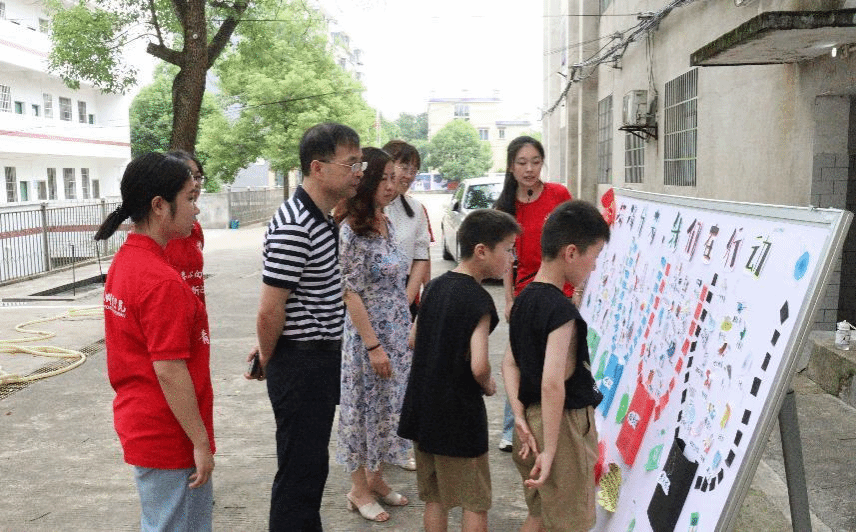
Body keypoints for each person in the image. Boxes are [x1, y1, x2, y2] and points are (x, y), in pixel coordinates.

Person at [95, 152, 214, 531]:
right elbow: (169, 370)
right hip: (169, 433)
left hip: (146, 422)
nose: (196, 209)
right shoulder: (161, 281)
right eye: (190, 198)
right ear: (160, 205)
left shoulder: (127, 261)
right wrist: (200, 441)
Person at [254, 123, 363, 531]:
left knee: (311, 466)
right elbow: (270, 310)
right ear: (318, 168)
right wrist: (270, 356)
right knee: (299, 472)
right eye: (350, 163)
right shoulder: (296, 224)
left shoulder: (321, 218)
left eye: (360, 163)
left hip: (314, 359)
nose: (358, 172)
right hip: (300, 363)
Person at [399, 209, 522, 532]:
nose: (512, 259)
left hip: (423, 411)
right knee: (474, 501)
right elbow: (479, 364)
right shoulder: (479, 300)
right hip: (459, 417)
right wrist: (488, 384)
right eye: (508, 249)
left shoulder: (435, 287)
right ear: (481, 251)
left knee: (435, 499)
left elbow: (412, 339)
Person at [502, 200, 610, 532]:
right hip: (561, 428)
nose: (594, 267)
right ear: (571, 253)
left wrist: (519, 417)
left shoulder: (524, 300)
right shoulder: (562, 313)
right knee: (569, 522)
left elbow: (509, 363)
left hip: (531, 422)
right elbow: (552, 384)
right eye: (595, 256)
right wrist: (550, 450)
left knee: (539, 515)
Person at [332, 147, 413, 523]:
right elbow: (350, 292)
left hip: (395, 334)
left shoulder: (386, 221)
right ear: (364, 180)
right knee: (361, 411)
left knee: (386, 410)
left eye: (393, 178)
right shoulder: (350, 230)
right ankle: (357, 489)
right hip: (368, 339)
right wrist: (374, 346)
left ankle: (376, 478)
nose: (391, 186)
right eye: (383, 178)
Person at [494, 136, 572, 452]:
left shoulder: (558, 195)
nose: (529, 169)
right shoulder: (505, 207)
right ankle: (513, 428)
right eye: (522, 163)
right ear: (511, 167)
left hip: (562, 292)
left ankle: (557, 428)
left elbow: (575, 240)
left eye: (536, 162)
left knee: (560, 364)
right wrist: (509, 299)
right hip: (526, 294)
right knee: (520, 360)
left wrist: (578, 290)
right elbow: (506, 258)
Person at [382, 140, 431, 320]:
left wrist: (405, 302)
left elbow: (421, 256)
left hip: (404, 296)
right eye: (404, 168)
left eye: (414, 170)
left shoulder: (416, 209)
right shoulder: (361, 208)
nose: (409, 176)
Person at [164, 150, 206, 304]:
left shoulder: (195, 229)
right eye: (188, 176)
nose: (195, 184)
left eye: (197, 177)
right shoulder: (158, 233)